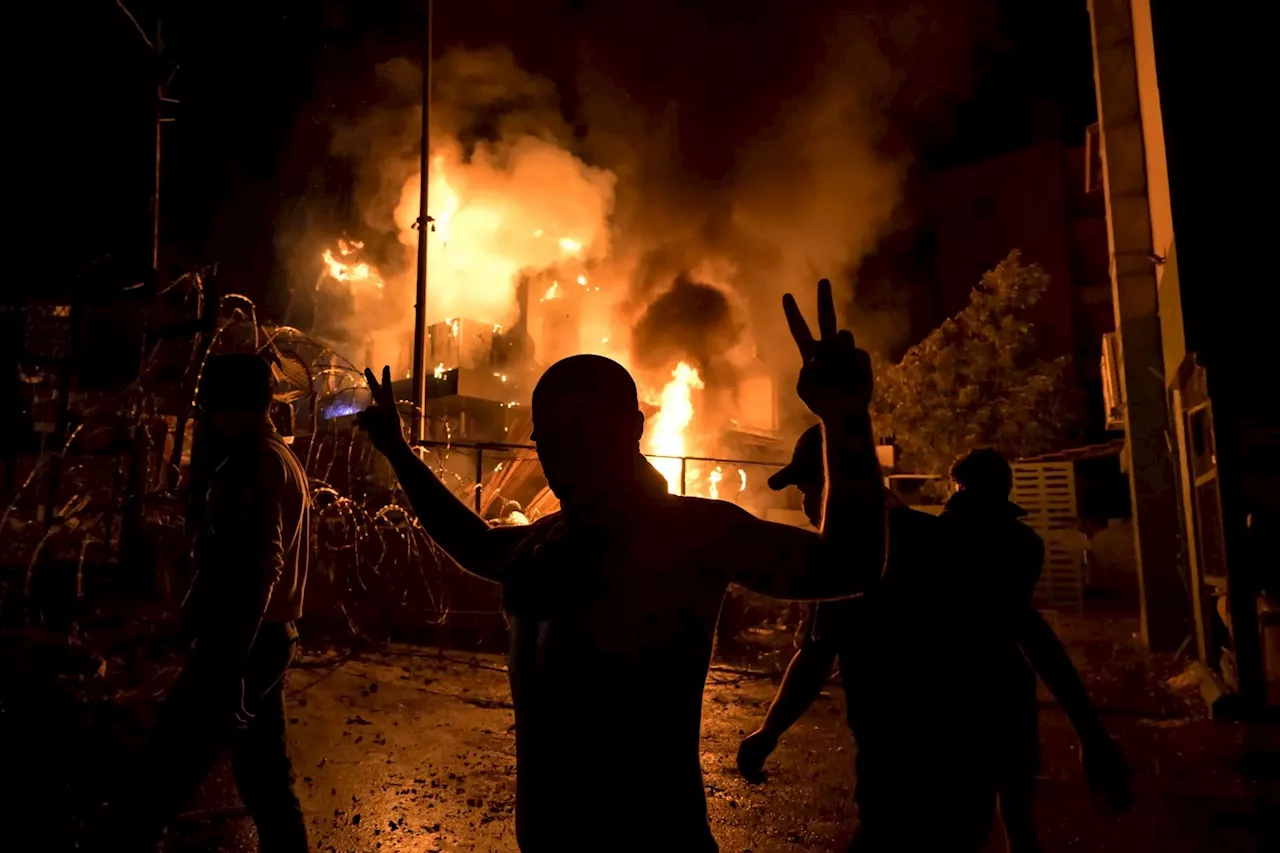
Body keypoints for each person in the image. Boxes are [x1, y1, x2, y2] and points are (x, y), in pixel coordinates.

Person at [357, 279, 888, 852]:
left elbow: (849, 565)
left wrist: (845, 418)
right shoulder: (543, 544)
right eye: (550, 437)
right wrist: (399, 454)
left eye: (584, 433)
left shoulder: (690, 533)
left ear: (634, 430)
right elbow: (477, 543)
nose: (563, 453)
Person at [738, 441, 1131, 852]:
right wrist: (1090, 732)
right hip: (964, 751)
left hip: (906, 759)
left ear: (841, 489)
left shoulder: (858, 555)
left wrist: (769, 734)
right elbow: (1024, 630)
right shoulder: (934, 538)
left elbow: (816, 657)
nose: (806, 505)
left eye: (810, 490)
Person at [109, 352, 311, 852]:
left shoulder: (252, 462)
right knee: (266, 782)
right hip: (266, 638)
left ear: (226, 401)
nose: (200, 405)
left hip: (238, 642)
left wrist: (229, 666)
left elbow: (261, 567)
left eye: (207, 396)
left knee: (164, 771)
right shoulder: (279, 456)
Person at [941, 448, 1130, 852]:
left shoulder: (981, 542)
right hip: (990, 688)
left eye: (961, 492)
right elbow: (1029, 631)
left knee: (995, 810)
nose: (953, 502)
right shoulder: (1012, 541)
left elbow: (1023, 627)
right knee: (1004, 810)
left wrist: (1090, 732)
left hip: (973, 691)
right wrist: (1089, 730)